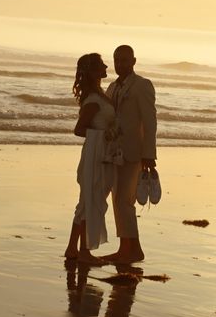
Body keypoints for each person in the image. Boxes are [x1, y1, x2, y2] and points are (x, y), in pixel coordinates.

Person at [102, 45, 157, 264]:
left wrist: (149, 154)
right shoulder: (113, 87)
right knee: (118, 201)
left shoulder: (142, 85)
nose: (120, 64)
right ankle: (128, 247)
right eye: (117, 60)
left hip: (134, 152)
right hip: (115, 152)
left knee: (125, 201)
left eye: (124, 60)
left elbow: (150, 121)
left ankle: (131, 250)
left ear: (133, 61)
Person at [64, 53, 116, 264]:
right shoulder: (93, 100)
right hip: (95, 155)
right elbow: (79, 129)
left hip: (101, 153)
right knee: (90, 201)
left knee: (88, 201)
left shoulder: (100, 93)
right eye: (101, 64)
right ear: (94, 71)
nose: (106, 66)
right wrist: (104, 135)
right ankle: (83, 252)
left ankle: (72, 248)